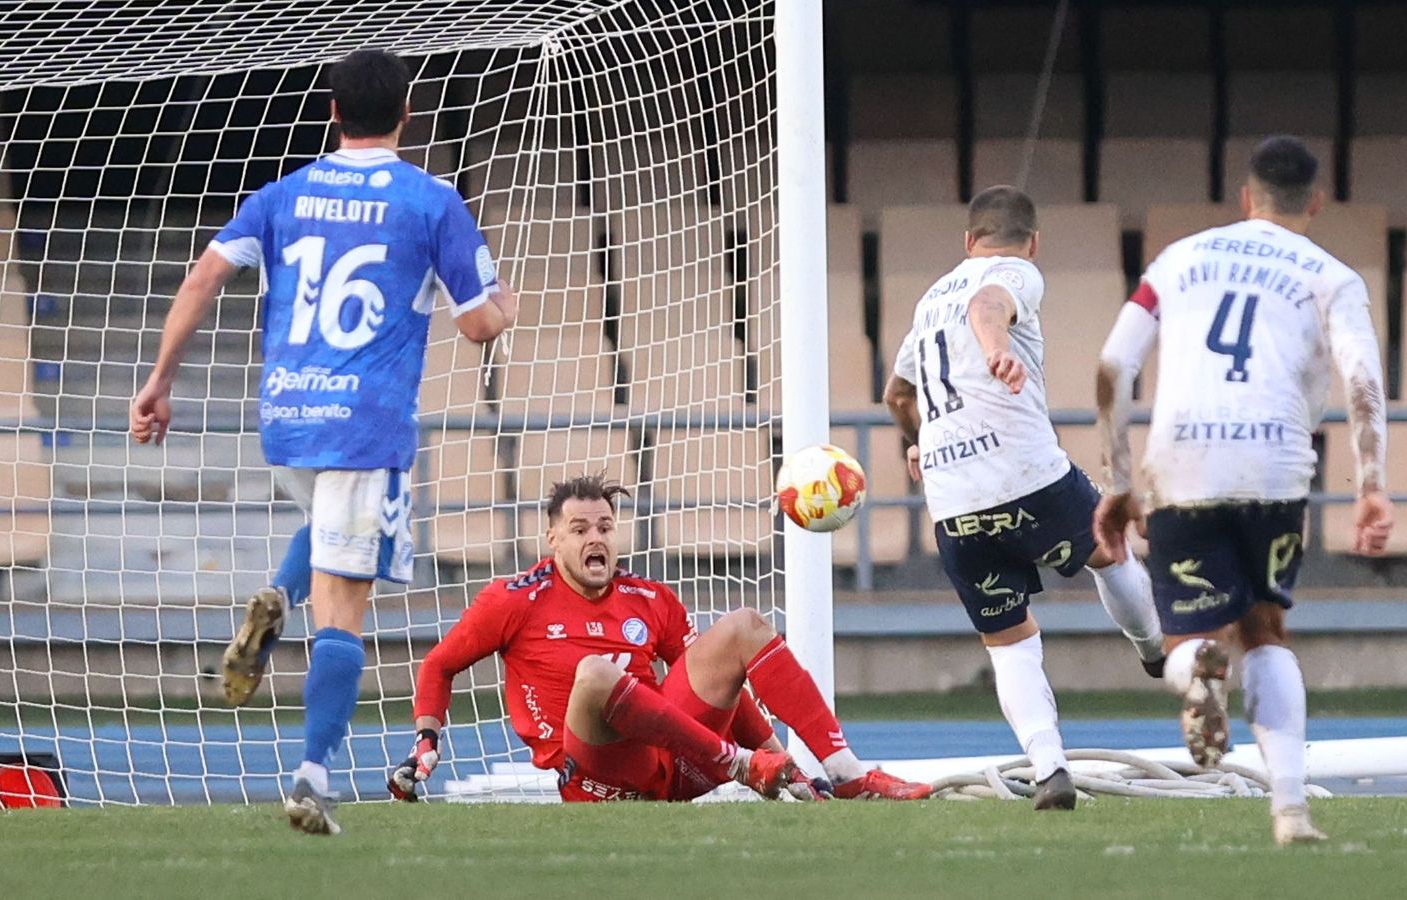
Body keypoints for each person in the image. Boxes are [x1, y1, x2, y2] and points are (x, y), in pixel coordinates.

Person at [128, 49, 516, 835]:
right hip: (365, 426)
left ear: (333, 112)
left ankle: (279, 593)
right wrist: (505, 303)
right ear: (407, 113)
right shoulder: (431, 200)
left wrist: (159, 382)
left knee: (324, 527)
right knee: (342, 615)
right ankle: (312, 774)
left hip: (286, 418)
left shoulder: (282, 193)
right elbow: (479, 323)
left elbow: (201, 280)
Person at [1093, 136, 1392, 846]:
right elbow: (1363, 379)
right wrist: (1372, 485)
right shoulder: (1332, 276)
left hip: (1182, 465)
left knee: (1187, 636)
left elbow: (1112, 365)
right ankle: (1290, 812)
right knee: (1264, 631)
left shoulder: (1178, 260)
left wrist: (1119, 479)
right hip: (1274, 466)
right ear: (1315, 202)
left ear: (1246, 197)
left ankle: (1195, 669)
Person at [387, 473, 933, 804]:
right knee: (595, 674)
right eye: (580, 530)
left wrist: (774, 755)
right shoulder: (513, 599)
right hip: (599, 778)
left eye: (605, 527)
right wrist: (426, 743)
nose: (596, 538)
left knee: (742, 625)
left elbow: (722, 686)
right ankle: (739, 764)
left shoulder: (650, 598)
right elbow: (438, 665)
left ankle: (846, 772)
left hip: (679, 764)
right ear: (552, 539)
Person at [882, 186, 1166, 811]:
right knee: (1109, 547)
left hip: (953, 499)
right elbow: (988, 305)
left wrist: (918, 441)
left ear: (968, 240)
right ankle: (1155, 651)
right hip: (1024, 473)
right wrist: (996, 350)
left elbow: (897, 394)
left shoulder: (928, 302)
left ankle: (1049, 768)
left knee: (1009, 639)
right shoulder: (1016, 274)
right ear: (1032, 243)